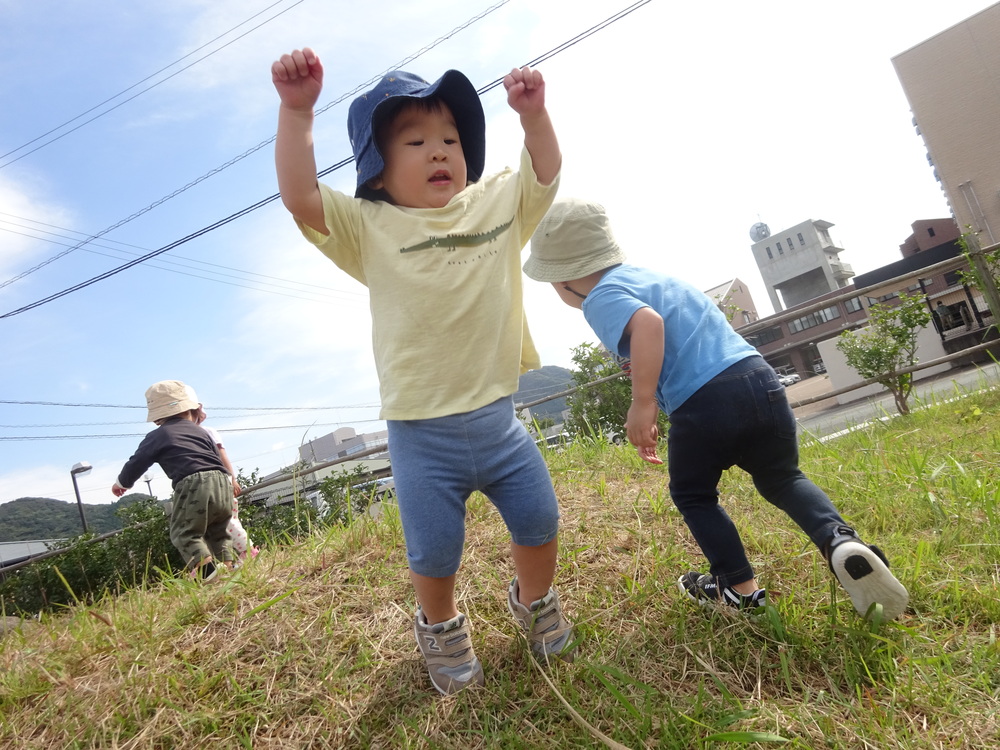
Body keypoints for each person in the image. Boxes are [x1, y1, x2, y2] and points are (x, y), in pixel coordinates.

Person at [271, 48, 573, 693]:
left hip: (500, 422)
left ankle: (535, 601)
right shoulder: (368, 227)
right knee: (433, 552)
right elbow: (300, 196)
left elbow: (544, 171)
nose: (439, 151)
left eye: (451, 139)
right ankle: (439, 626)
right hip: (421, 436)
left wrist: (534, 117)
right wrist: (296, 114)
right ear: (377, 173)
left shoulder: (495, 204)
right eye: (415, 141)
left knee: (540, 520)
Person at [524, 198, 909, 621]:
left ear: (565, 278)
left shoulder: (600, 296)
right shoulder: (658, 279)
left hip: (704, 401)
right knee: (782, 477)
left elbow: (648, 325)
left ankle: (739, 589)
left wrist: (643, 402)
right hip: (759, 380)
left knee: (693, 494)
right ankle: (840, 541)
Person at [112, 380, 234, 582]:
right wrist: (227, 480)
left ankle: (207, 573)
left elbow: (137, 462)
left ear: (157, 418)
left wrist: (122, 483)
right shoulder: (202, 432)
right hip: (222, 481)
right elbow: (215, 455)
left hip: (194, 483)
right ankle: (229, 568)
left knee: (184, 532)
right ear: (190, 409)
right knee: (218, 531)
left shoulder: (158, 435)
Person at [191, 397, 258, 563]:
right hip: (204, 483)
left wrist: (232, 478)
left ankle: (247, 550)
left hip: (219, 479)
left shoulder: (207, 432)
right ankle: (221, 561)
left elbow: (222, 455)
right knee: (213, 524)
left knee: (226, 519)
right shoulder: (189, 436)